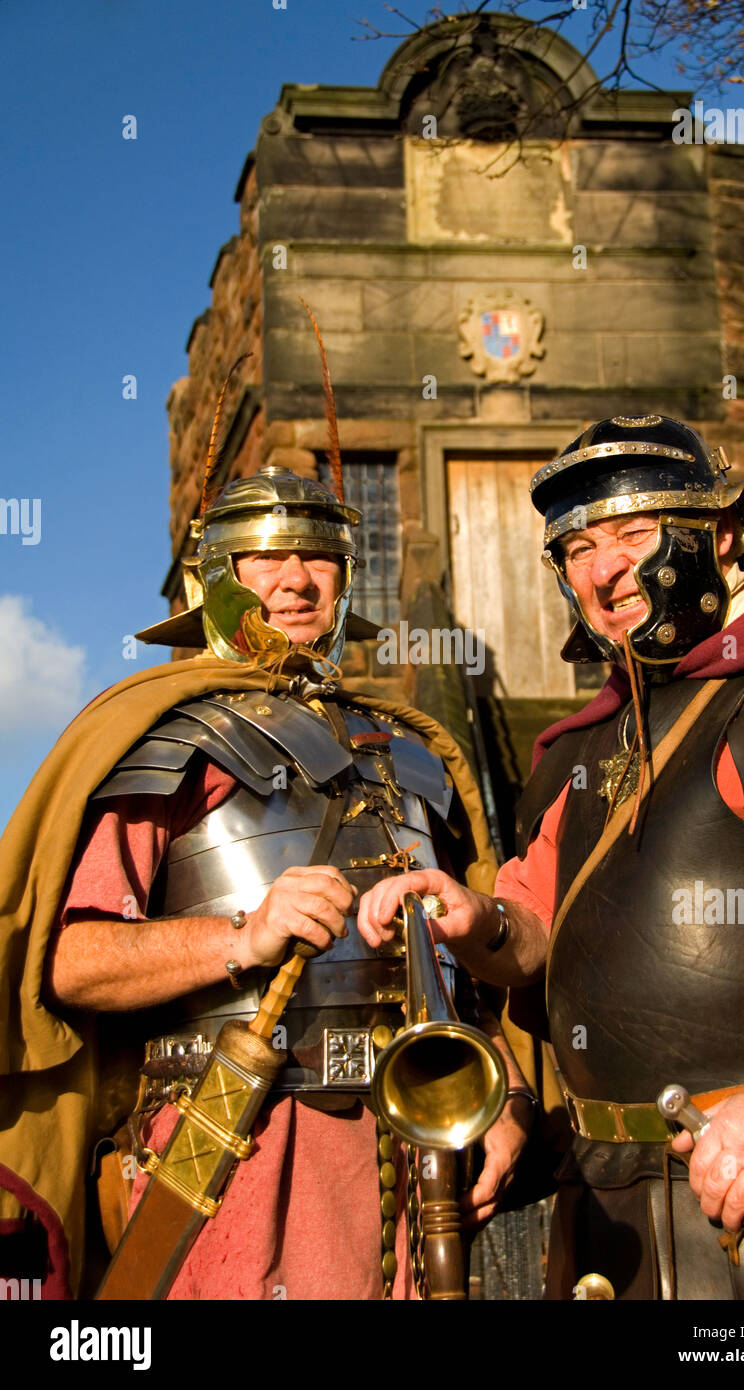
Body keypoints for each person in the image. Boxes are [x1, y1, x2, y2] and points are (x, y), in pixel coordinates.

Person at [359, 413, 744, 1300]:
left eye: (633, 533)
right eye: (578, 546)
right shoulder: (578, 748)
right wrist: (476, 918)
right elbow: (534, 935)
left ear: (721, 533)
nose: (604, 567)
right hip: (603, 1215)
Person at [0, 464, 530, 1300]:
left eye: (317, 557)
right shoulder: (169, 744)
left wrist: (504, 1095)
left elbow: (472, 968)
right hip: (238, 1138)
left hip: (415, 1140)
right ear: (217, 580)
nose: (294, 579)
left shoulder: (412, 758)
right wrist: (240, 937)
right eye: (265, 557)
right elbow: (69, 963)